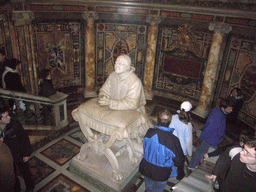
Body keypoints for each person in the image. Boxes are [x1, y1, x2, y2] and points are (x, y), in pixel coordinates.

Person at [98, 54, 152, 134]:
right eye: (117, 63)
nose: (117, 66)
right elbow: (104, 90)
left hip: (131, 110)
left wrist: (110, 102)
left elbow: (132, 104)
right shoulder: (112, 75)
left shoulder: (135, 81)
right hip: (113, 106)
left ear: (128, 67)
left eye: (122, 64)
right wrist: (104, 96)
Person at [139, 109, 185, 192]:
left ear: (158, 120)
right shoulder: (173, 140)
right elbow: (179, 161)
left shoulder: (149, 132)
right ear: (170, 122)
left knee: (149, 187)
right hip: (161, 173)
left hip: (146, 168)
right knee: (158, 189)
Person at [188, 98, 235, 172]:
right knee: (202, 152)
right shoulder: (218, 117)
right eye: (229, 109)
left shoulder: (218, 110)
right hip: (211, 139)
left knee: (204, 152)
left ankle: (196, 164)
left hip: (214, 138)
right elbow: (209, 128)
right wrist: (202, 137)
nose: (231, 111)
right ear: (223, 108)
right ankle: (193, 166)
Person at [0, 106, 35, 192]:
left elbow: (24, 137)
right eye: (6, 116)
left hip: (19, 153)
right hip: (8, 158)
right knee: (11, 174)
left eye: (8, 115)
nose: (9, 117)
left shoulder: (14, 124)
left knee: (25, 171)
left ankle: (30, 187)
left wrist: (26, 154)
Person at [169, 101, 193, 179]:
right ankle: (180, 177)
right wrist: (190, 153)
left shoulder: (172, 117)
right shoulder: (188, 125)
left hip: (171, 145)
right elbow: (188, 142)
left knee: (170, 160)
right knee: (180, 165)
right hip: (181, 149)